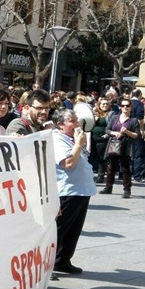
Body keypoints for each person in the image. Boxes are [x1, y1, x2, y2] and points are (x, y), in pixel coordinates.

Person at [52, 109, 96, 278]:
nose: (77, 124)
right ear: (60, 124)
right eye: (72, 121)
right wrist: (78, 144)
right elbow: (68, 163)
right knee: (59, 230)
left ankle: (63, 260)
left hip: (81, 190)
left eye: (77, 120)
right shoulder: (57, 140)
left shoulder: (70, 138)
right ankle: (48, 265)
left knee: (73, 230)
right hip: (67, 191)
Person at [99, 98, 140, 198]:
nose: (125, 107)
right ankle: (108, 187)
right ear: (120, 107)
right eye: (123, 105)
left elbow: (136, 135)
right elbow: (107, 129)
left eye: (127, 106)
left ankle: (127, 190)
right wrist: (115, 133)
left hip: (126, 146)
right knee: (111, 167)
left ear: (130, 107)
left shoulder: (134, 121)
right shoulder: (115, 118)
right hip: (114, 144)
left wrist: (127, 132)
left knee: (125, 168)